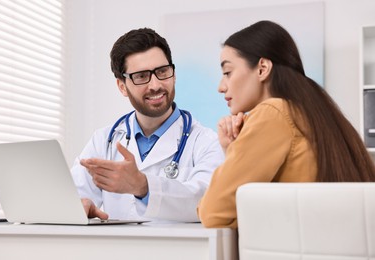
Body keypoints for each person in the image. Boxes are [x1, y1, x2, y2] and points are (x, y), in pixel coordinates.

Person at [197, 20, 375, 228]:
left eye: (228, 72)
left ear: (262, 69)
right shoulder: (315, 114)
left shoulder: (272, 113)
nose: (221, 86)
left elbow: (213, 212)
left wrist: (230, 158)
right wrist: (234, 149)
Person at [71, 28, 224, 222]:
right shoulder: (104, 141)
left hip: (179, 252)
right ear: (122, 86)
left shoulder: (206, 142)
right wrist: (79, 207)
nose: (155, 85)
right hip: (114, 251)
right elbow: (72, 196)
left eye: (162, 72)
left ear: (174, 74)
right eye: (142, 76)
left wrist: (143, 186)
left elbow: (207, 200)